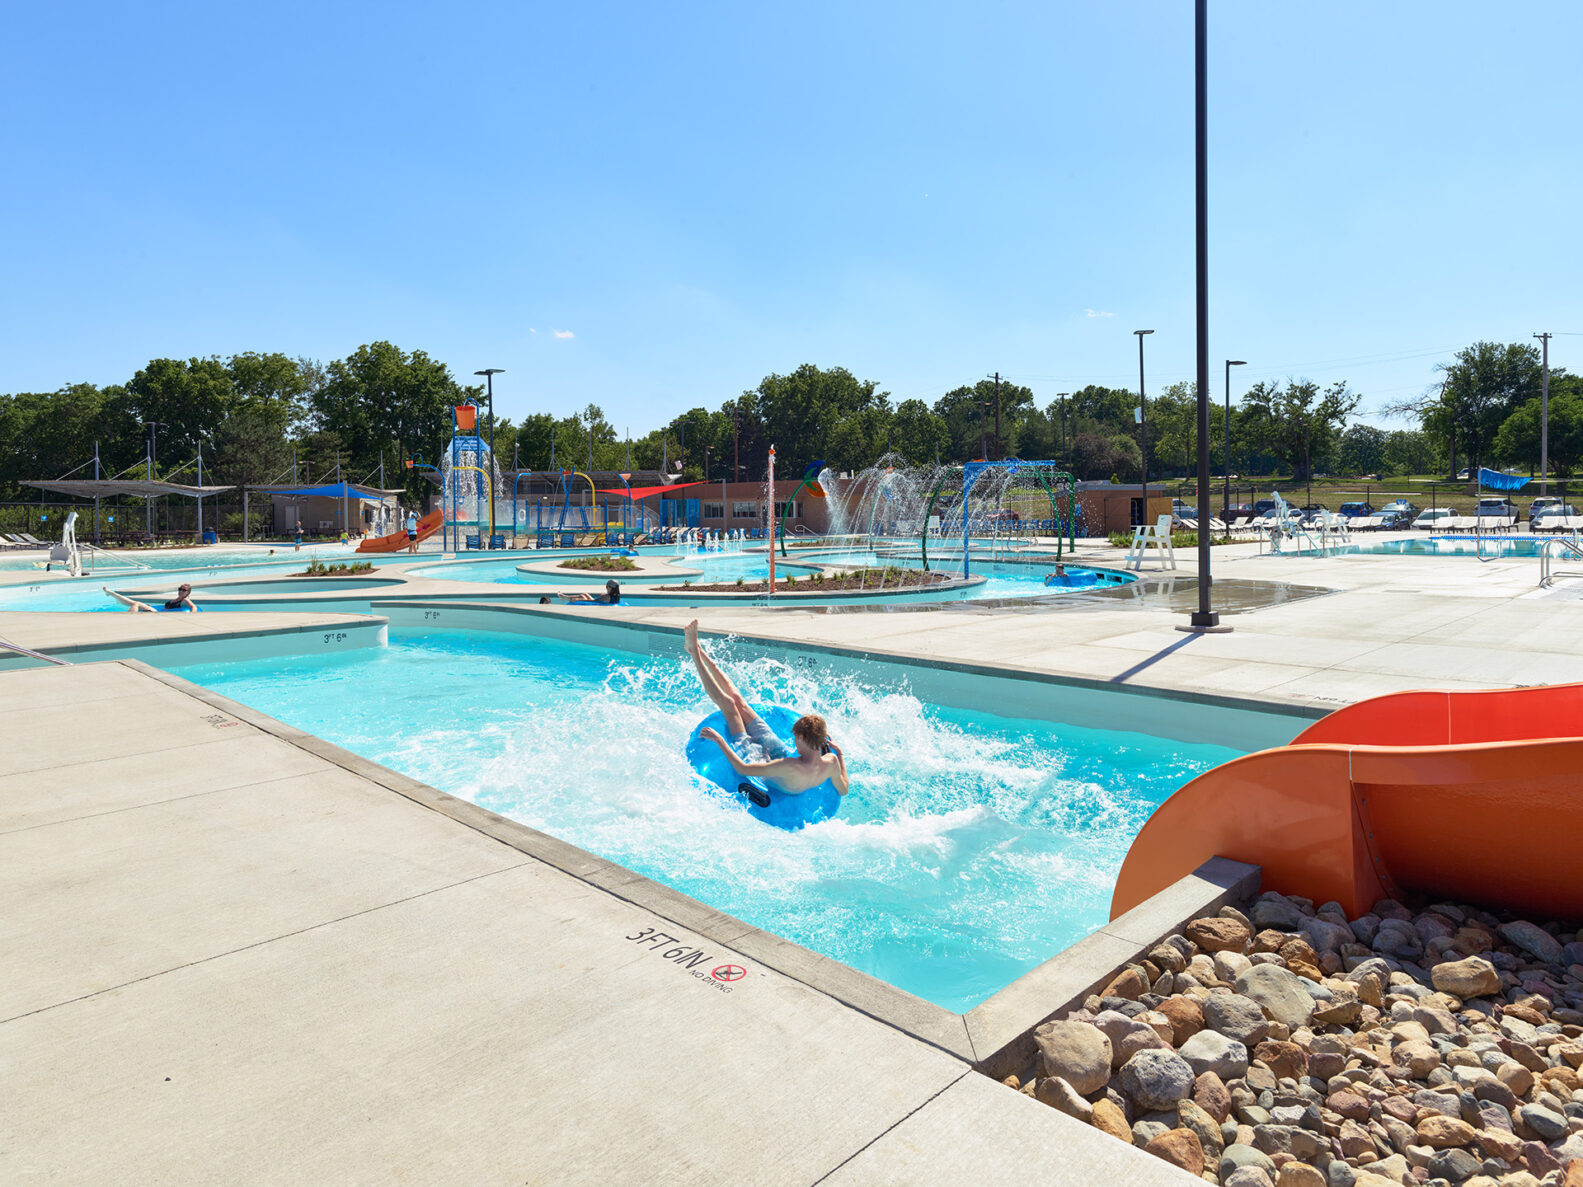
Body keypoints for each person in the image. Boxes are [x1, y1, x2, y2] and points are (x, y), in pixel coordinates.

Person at [685, 620, 848, 797]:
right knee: (740, 701)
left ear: (802, 737)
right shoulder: (831, 762)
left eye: (795, 738)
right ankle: (701, 652)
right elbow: (844, 790)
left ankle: (694, 654)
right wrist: (839, 753)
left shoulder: (791, 766)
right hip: (779, 758)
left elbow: (743, 769)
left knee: (729, 705)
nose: (794, 741)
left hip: (760, 761)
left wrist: (720, 741)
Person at [105, 583, 199, 613]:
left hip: (159, 614)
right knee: (133, 602)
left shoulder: (185, 599)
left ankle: (128, 617)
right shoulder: (177, 598)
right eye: (180, 589)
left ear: (188, 592)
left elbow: (193, 607)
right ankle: (111, 594)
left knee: (136, 603)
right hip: (159, 611)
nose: (181, 591)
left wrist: (192, 614)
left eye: (184, 590)